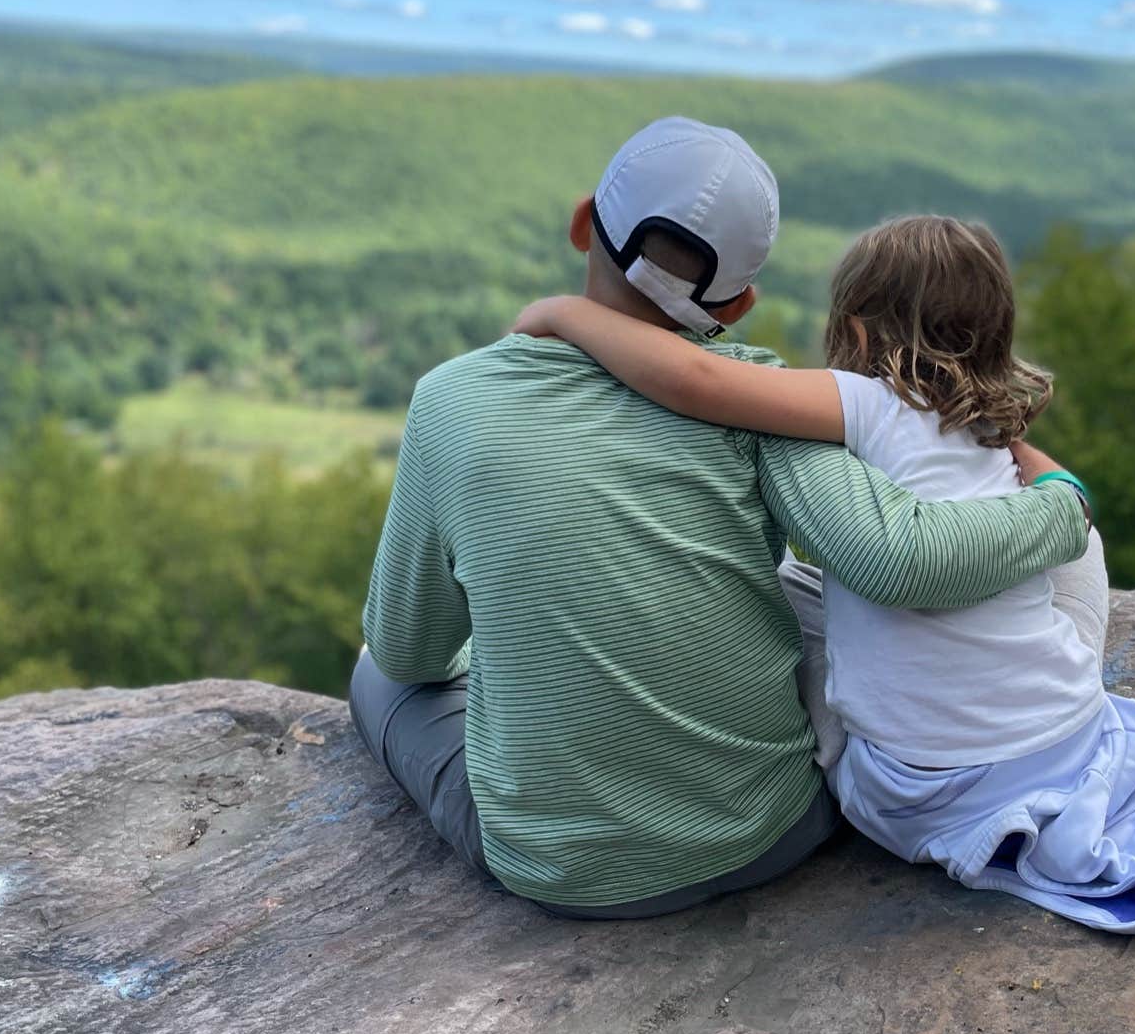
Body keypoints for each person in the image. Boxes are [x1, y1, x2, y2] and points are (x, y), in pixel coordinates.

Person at [353, 120, 1092, 920]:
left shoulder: (449, 401)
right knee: (788, 587)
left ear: (579, 224)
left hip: (564, 874)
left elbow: (410, 651)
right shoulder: (762, 401)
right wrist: (1055, 497)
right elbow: (890, 549)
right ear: (737, 304)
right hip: (776, 831)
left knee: (375, 671)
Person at [513, 213, 1135, 935]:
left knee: (772, 593)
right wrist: (1061, 489)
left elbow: (696, 380)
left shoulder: (865, 403)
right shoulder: (987, 432)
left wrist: (566, 315)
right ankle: (1030, 695)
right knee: (1074, 547)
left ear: (859, 333)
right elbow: (1070, 500)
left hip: (917, 795)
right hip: (1067, 738)